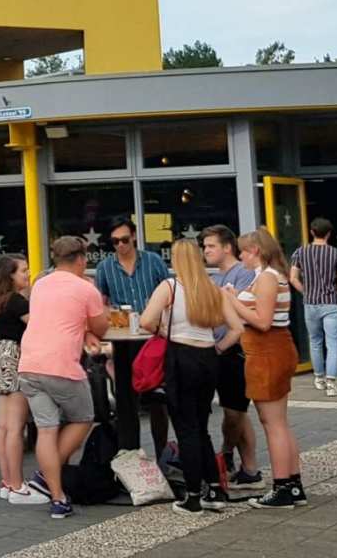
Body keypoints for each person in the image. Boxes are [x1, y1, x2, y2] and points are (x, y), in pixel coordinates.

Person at [141, 239, 244, 516]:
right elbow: (236, 328)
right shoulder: (212, 289)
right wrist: (219, 348)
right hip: (209, 357)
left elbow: (146, 321)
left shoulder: (170, 287)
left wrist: (164, 330)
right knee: (201, 426)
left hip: (181, 357)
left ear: (175, 260)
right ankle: (214, 488)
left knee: (184, 427)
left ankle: (193, 495)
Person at [18, 237, 111, 519]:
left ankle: (58, 498)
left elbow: (55, 319)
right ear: (81, 259)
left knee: (46, 429)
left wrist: (81, 330)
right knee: (83, 418)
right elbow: (102, 327)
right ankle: (48, 476)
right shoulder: (86, 288)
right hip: (61, 366)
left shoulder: (40, 285)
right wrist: (89, 329)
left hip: (30, 363)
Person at [226, 228, 306, 510]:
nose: (240, 257)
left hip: (267, 351)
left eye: (243, 252)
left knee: (273, 424)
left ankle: (282, 487)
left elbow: (262, 321)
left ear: (255, 251)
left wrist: (232, 300)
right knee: (280, 423)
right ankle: (293, 484)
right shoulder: (270, 276)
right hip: (274, 350)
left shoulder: (268, 278)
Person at [94, 218, 171, 460]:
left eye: (125, 240)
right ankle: (130, 455)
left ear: (135, 237)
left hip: (152, 337)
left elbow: (169, 292)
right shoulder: (105, 267)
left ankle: (162, 454)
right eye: (115, 241)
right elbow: (101, 302)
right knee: (126, 399)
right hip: (123, 339)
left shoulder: (153, 261)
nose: (120, 245)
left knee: (157, 397)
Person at [201, 225, 262, 488]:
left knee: (236, 412)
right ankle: (249, 469)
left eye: (211, 246)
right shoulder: (212, 279)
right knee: (233, 411)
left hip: (237, 351)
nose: (206, 251)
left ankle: (227, 454)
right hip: (214, 349)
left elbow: (239, 313)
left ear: (227, 247)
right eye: (204, 247)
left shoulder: (244, 273)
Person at [0, 254, 34, 502]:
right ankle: (17, 484)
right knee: (15, 426)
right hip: (14, 355)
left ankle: (6, 481)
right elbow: (36, 328)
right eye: (23, 270)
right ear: (10, 275)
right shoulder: (17, 302)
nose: (27, 273)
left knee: (2, 424)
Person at [290, 217, 337, 398]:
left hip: (310, 303)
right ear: (329, 234)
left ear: (312, 232)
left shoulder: (299, 253)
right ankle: (331, 383)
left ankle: (319, 378)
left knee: (315, 342)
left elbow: (293, 278)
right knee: (332, 344)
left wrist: (305, 293)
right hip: (331, 302)